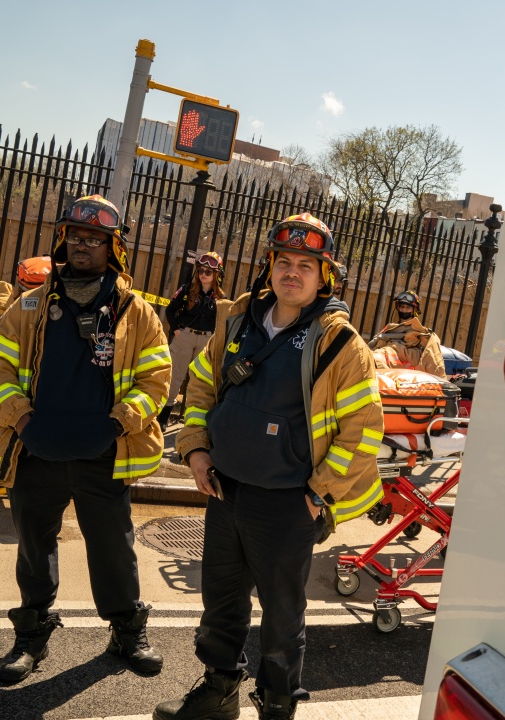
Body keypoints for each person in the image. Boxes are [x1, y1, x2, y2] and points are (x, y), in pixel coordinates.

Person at [156, 213, 384, 720]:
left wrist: (321, 491)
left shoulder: (342, 344)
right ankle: (219, 693)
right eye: (284, 261)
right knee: (220, 602)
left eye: (307, 265)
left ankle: (278, 705)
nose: (293, 272)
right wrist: (195, 448)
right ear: (269, 266)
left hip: (288, 504)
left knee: (282, 617)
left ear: (325, 275)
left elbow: (364, 430)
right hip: (227, 491)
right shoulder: (238, 319)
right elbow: (200, 384)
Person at [0, 195, 171, 684]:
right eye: (76, 236)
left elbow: (156, 380)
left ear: (113, 247)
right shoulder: (31, 304)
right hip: (36, 449)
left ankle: (126, 630)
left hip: (103, 452)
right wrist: (22, 421)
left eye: (95, 238)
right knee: (33, 545)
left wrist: (117, 424)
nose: (83, 245)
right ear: (64, 241)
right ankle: (31, 635)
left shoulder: (135, 311)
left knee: (113, 547)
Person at [158, 251, 226, 430]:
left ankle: (193, 420)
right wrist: (177, 330)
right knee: (175, 377)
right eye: (201, 270)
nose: (204, 274)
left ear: (216, 275)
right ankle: (164, 416)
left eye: (208, 272)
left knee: (199, 381)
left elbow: (223, 321)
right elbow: (171, 310)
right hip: (185, 337)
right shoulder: (187, 290)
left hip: (205, 340)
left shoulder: (220, 298)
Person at [368, 290, 446, 377]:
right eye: (402, 307)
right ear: (398, 308)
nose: (404, 310)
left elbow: (429, 355)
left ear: (414, 310)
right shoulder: (390, 328)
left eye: (408, 308)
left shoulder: (421, 331)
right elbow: (376, 342)